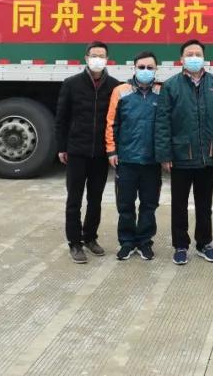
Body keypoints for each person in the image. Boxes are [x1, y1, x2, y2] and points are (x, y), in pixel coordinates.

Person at [154, 39, 213, 265]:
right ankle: (181, 246)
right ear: (181, 59)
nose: (194, 58)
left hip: (207, 156)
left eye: (198, 54)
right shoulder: (171, 86)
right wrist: (165, 154)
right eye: (189, 54)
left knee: (204, 205)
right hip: (181, 155)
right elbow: (162, 122)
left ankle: (204, 243)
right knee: (179, 204)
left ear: (204, 57)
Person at [55, 41, 120, 264]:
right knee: (74, 199)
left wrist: (113, 149)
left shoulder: (114, 86)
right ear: (86, 58)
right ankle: (74, 242)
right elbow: (61, 119)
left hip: (101, 153)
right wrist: (62, 147)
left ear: (108, 59)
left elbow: (116, 121)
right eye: (94, 55)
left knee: (95, 198)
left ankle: (90, 237)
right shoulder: (71, 84)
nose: (97, 60)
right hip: (76, 151)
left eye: (102, 56)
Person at [105, 51, 163, 261]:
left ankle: (145, 242)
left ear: (156, 70)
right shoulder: (120, 91)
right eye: (141, 67)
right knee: (125, 205)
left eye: (150, 67)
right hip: (126, 160)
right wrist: (111, 150)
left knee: (149, 205)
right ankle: (127, 242)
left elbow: (167, 125)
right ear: (134, 68)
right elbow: (112, 123)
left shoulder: (162, 92)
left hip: (152, 161)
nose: (145, 71)